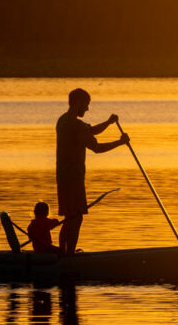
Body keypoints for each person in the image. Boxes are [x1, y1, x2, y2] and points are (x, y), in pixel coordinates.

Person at [56, 87, 128, 256]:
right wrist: (120, 142)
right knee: (75, 217)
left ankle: (63, 253)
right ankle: (69, 255)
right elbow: (97, 148)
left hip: (64, 177)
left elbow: (90, 131)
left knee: (70, 217)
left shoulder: (63, 120)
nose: (87, 109)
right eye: (86, 105)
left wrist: (108, 123)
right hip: (72, 178)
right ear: (78, 103)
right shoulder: (74, 125)